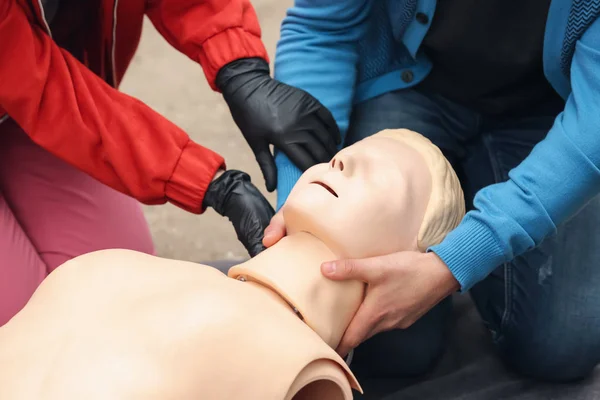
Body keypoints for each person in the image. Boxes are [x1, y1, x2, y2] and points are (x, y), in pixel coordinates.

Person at [265, 0, 600, 384]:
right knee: (392, 347)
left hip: (556, 110)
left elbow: (593, 125)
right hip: (408, 81)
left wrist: (457, 261)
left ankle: (484, 212)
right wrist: (302, 196)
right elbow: (321, 31)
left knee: (561, 348)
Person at [0, 129, 464, 399]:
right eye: (341, 157)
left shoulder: (303, 369)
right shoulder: (106, 269)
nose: (338, 164)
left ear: (410, 263)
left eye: (378, 175)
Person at [0, 0, 340, 325]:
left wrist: (241, 69)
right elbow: (47, 89)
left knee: (122, 291)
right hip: (38, 87)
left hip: (29, 106)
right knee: (22, 321)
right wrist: (208, 184)